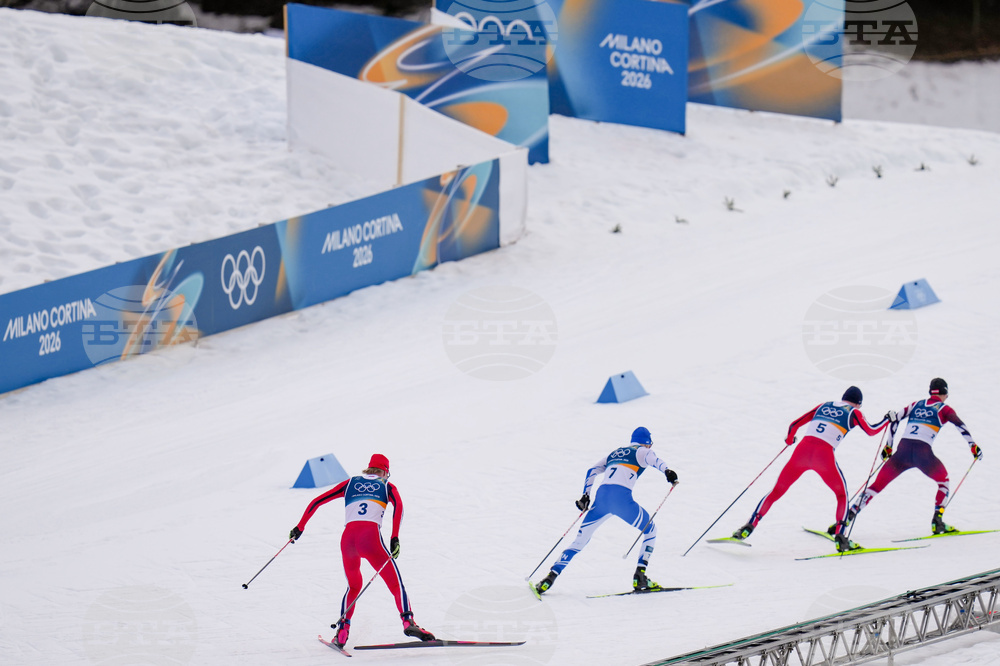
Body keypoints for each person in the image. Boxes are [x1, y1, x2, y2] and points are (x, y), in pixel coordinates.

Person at [289, 454, 434, 648]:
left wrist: (300, 527)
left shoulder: (349, 483)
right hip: (370, 539)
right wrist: (394, 537)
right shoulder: (387, 486)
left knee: (354, 586)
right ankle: (408, 622)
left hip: (348, 540)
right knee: (395, 583)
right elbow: (399, 507)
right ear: (384, 471)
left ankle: (342, 631)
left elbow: (317, 501)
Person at [731, 386, 889, 552]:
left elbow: (794, 425)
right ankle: (840, 538)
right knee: (841, 495)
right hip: (824, 456)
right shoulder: (854, 412)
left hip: (801, 452)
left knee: (777, 490)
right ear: (858, 404)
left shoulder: (824, 405)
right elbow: (871, 431)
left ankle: (748, 527)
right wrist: (887, 419)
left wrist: (790, 440)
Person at [533, 427, 679, 595]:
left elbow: (592, 471)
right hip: (621, 499)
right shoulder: (643, 451)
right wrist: (668, 472)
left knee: (579, 541)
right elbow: (656, 460)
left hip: (601, 500)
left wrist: (585, 496)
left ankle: (550, 577)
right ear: (646, 443)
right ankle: (640, 576)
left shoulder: (615, 453)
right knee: (650, 531)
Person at [847, 378, 982, 534]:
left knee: (876, 486)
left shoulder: (915, 405)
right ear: (945, 393)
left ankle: (847, 518)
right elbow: (960, 425)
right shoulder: (944, 409)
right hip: (923, 453)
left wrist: (888, 446)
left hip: (902, 452)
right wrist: (973, 446)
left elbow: (895, 419)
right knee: (943, 482)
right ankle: (937, 522)